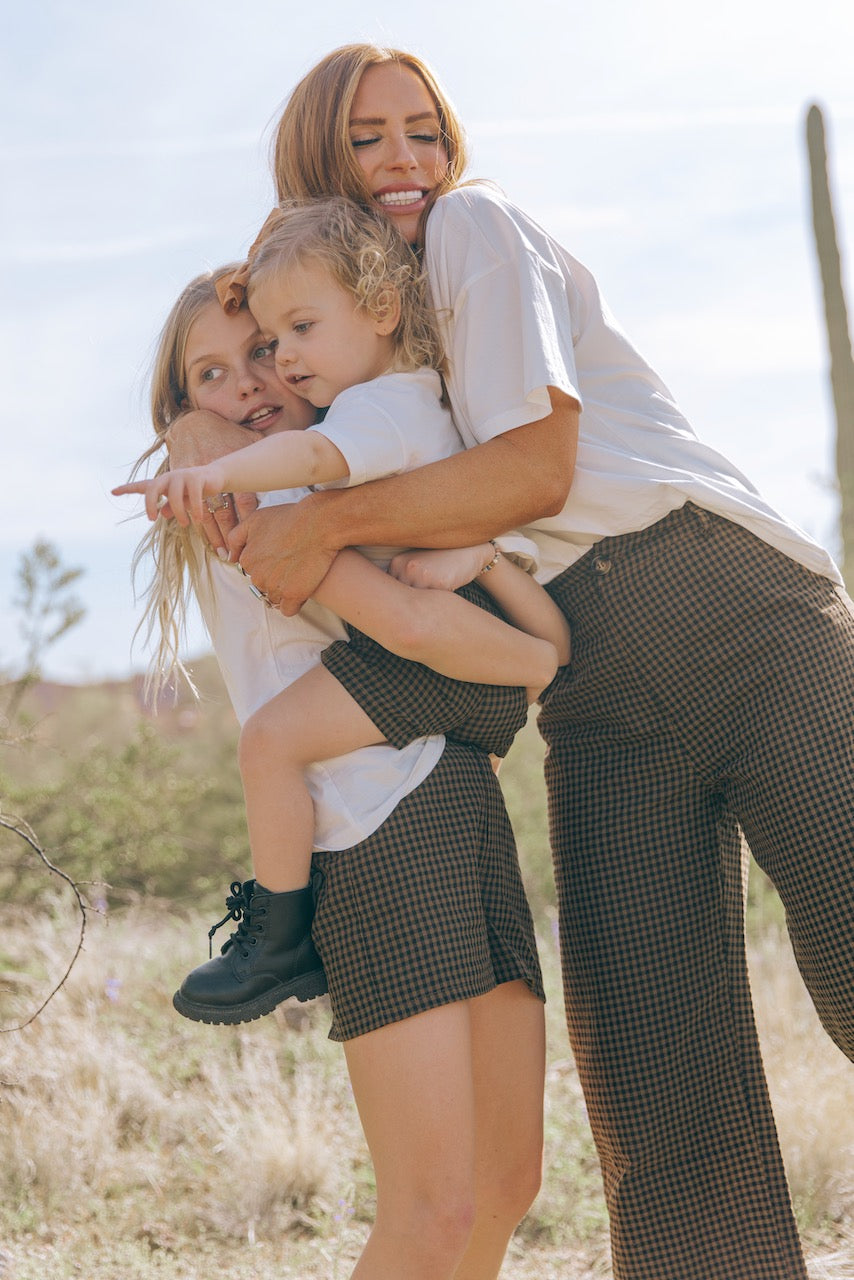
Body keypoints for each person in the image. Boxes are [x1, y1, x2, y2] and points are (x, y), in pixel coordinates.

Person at [181, 42, 854, 1280]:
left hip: (725, 602)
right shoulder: (339, 345)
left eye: (421, 129)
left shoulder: (473, 232)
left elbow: (535, 469)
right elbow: (223, 415)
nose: (405, 161)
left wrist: (322, 521)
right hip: (592, 683)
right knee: (655, 1076)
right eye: (369, 137)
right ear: (317, 166)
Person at [122, 233, 559, 1280]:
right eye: (206, 377)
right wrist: (538, 660)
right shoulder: (249, 498)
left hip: (454, 801)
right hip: (373, 829)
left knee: (506, 1187)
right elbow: (413, 627)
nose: (243, 388)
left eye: (260, 353)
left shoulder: (346, 465)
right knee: (432, 1211)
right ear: (181, 405)